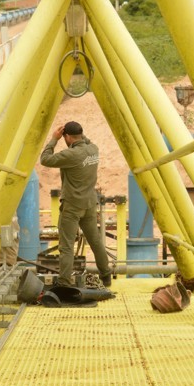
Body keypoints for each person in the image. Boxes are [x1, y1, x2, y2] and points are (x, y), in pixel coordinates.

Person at [40, 121, 112, 287]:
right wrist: (75, 134)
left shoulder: (70, 155)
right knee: (95, 241)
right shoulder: (93, 150)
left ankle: (64, 283)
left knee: (66, 246)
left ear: (67, 137)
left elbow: (45, 159)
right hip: (89, 204)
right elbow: (85, 140)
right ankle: (106, 276)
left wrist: (54, 139)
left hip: (72, 206)